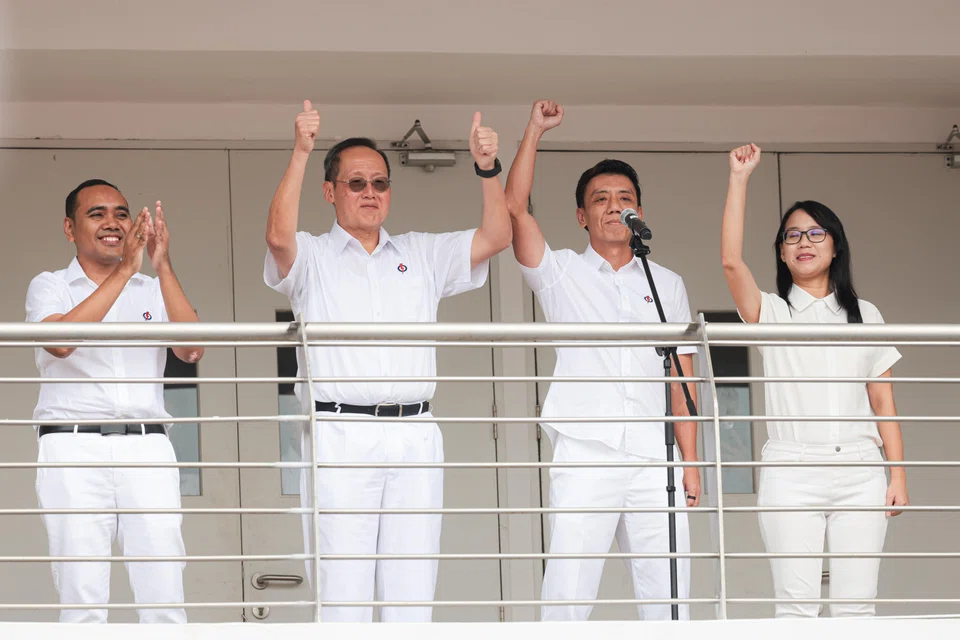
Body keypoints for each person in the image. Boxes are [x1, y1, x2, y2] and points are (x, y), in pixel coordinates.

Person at [263, 100, 511, 622]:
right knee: (342, 595)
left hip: (415, 433)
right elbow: (278, 238)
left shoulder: (420, 253)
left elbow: (496, 237)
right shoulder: (313, 254)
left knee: (411, 594)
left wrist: (488, 169)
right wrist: (301, 151)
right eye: (356, 183)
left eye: (379, 183)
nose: (370, 192)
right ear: (330, 192)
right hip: (339, 433)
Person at [504, 100, 700, 621]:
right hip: (586, 448)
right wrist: (534, 131)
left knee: (670, 595)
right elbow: (515, 209)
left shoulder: (667, 283)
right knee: (568, 592)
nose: (614, 207)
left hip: (656, 454)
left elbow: (682, 380)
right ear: (581, 215)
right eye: (601, 199)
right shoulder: (561, 272)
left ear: (640, 212)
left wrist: (690, 461)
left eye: (625, 199)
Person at [721, 144, 909, 618]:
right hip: (791, 470)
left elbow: (883, 402)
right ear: (782, 253)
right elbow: (731, 263)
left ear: (835, 245)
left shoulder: (866, 315)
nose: (804, 241)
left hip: (861, 471)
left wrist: (898, 474)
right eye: (792, 236)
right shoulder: (772, 312)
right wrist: (739, 180)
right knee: (795, 609)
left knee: (856, 609)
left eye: (815, 232)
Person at [26, 179, 203, 623]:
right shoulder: (49, 285)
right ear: (70, 229)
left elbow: (192, 349)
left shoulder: (151, 287)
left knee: (164, 593)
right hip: (72, 445)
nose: (112, 222)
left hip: (147, 446)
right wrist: (124, 271)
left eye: (122, 214)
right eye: (97, 214)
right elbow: (60, 343)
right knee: (82, 597)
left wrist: (161, 265)